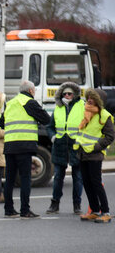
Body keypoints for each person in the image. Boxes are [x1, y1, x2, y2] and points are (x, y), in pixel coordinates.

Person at [0, 80, 50, 218]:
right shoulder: (29, 102)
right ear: (31, 91)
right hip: (24, 145)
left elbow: (1, 123)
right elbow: (46, 119)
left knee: (9, 179)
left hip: (10, 145)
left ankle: (8, 210)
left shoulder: (10, 103)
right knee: (25, 178)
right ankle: (25, 210)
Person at [75, 89, 114, 223]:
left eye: (92, 98)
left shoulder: (104, 115)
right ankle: (95, 211)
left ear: (99, 100)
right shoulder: (85, 111)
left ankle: (106, 212)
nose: (89, 100)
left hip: (94, 155)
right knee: (86, 182)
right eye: (88, 97)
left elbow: (110, 136)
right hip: (82, 153)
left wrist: (96, 147)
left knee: (96, 183)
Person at [46, 82, 84, 214]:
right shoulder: (58, 108)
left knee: (78, 178)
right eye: (65, 94)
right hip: (60, 146)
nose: (67, 95)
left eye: (69, 93)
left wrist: (82, 139)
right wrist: (53, 137)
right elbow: (50, 126)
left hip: (76, 145)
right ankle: (55, 204)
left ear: (74, 94)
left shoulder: (82, 106)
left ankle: (77, 205)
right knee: (57, 178)